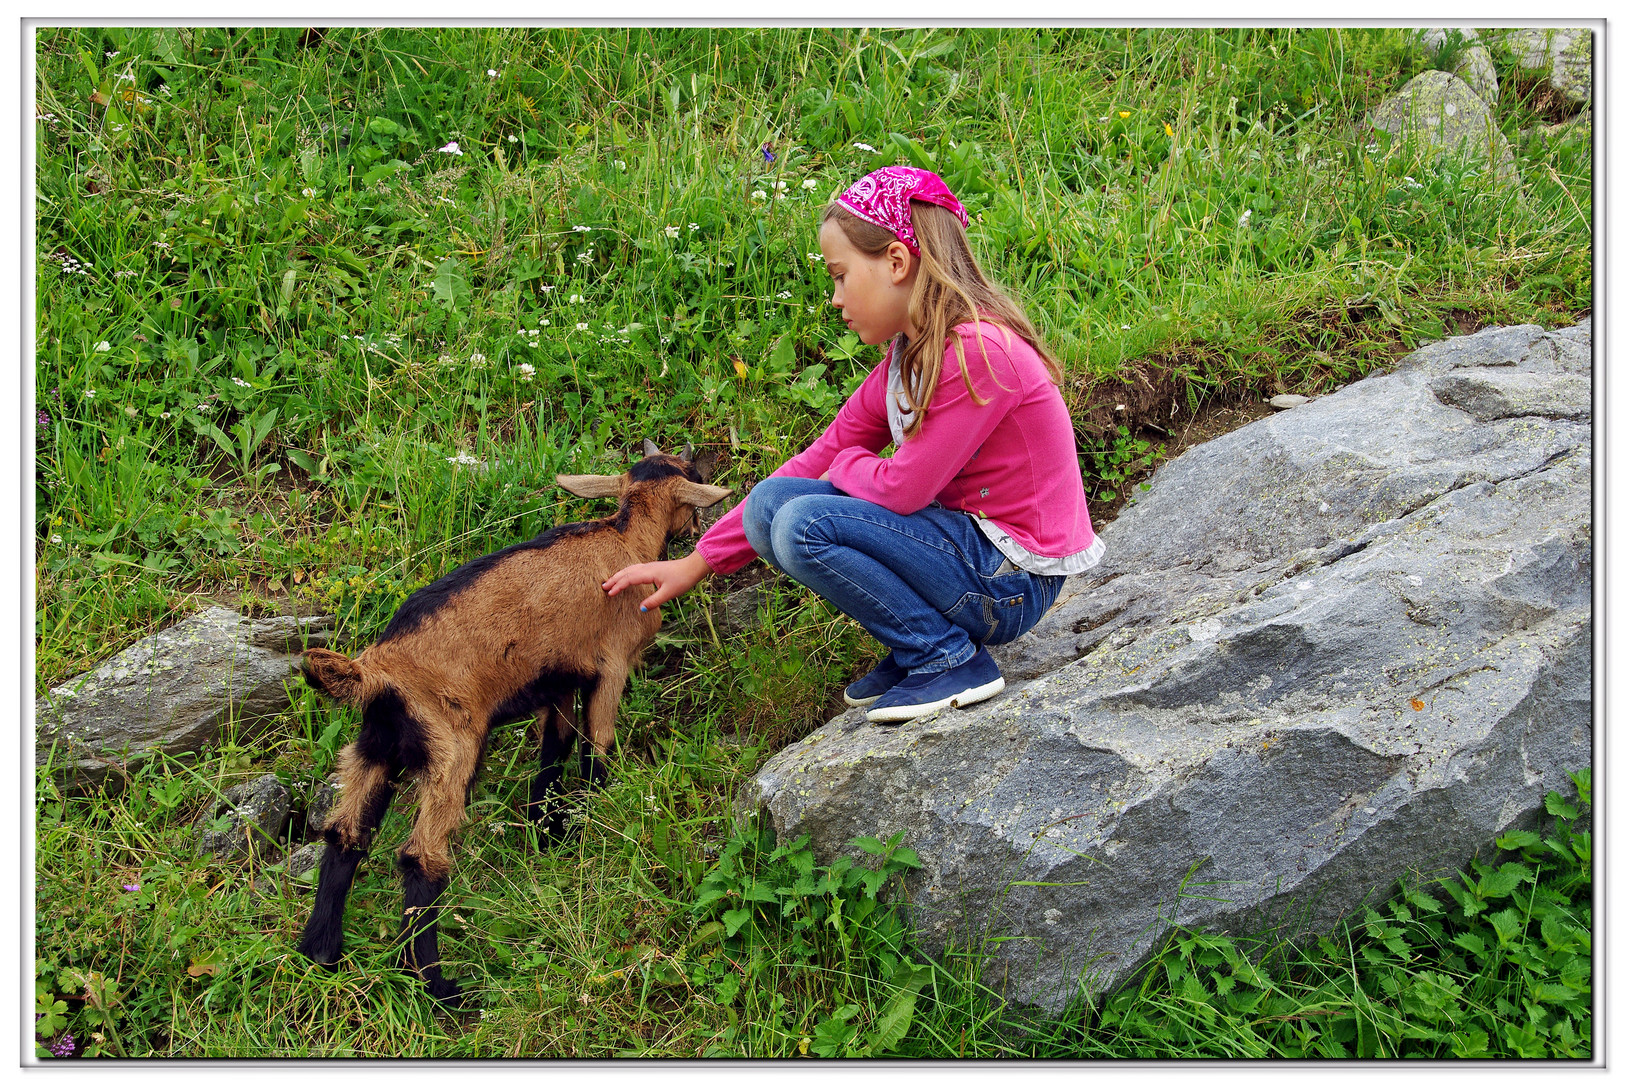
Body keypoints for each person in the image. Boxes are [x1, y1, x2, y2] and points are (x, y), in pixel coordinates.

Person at [604, 166, 1103, 723]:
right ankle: (924, 643)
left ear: (895, 262)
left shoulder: (978, 353)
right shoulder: (908, 357)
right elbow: (813, 462)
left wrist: (848, 467)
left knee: (803, 526)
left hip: (1011, 577)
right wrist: (697, 562)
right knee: (774, 505)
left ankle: (945, 656)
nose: (835, 298)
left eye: (841, 276)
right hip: (969, 556)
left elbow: (905, 488)